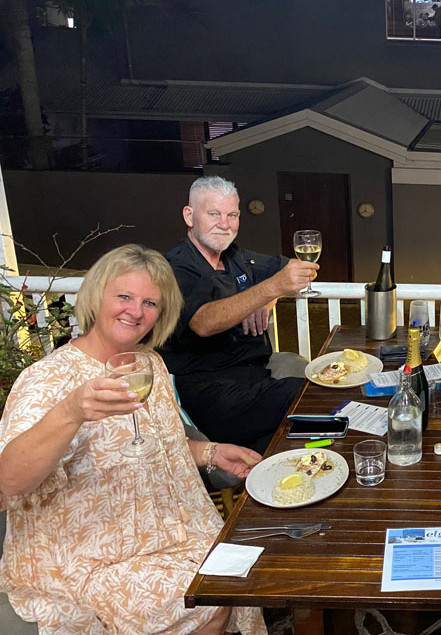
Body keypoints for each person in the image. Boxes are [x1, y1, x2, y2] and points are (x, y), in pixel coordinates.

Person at [0, 244, 266, 634]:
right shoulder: (48, 379)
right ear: (97, 297)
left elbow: (155, 443)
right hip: (88, 553)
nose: (136, 311)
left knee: (237, 573)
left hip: (172, 528)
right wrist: (70, 412)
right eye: (124, 296)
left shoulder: (149, 364)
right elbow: (8, 481)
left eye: (150, 303)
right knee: (200, 602)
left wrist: (210, 452)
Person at [158, 176, 319, 453]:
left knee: (300, 439)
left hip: (254, 379)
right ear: (189, 215)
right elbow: (204, 321)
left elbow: (294, 268)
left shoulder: (235, 257)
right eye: (214, 214)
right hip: (210, 393)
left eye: (231, 215)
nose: (224, 224)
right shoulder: (175, 267)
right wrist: (271, 287)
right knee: (310, 393)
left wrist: (266, 300)